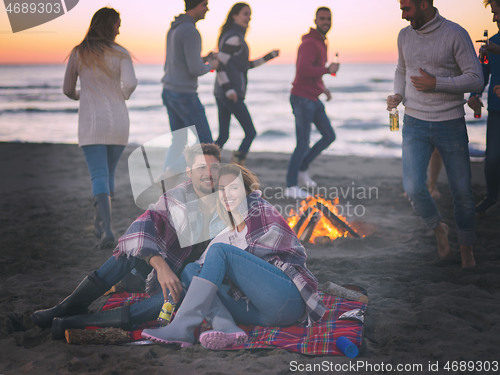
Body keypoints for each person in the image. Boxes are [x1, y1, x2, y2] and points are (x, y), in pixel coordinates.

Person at [31, 144, 226, 339]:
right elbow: (142, 226)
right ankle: (68, 307)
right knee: (128, 253)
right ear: (189, 172)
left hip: (192, 278)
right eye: (202, 167)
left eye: (214, 168)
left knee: (171, 299)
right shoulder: (176, 197)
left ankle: (76, 322)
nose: (208, 173)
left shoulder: (227, 200)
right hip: (164, 269)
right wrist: (160, 266)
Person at [142, 164, 326, 350]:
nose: (227, 194)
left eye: (234, 187)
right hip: (260, 313)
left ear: (247, 191)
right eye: (221, 189)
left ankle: (182, 327)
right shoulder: (225, 232)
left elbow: (289, 256)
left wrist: (228, 266)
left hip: (287, 300)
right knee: (191, 270)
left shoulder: (261, 212)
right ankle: (226, 327)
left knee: (220, 252)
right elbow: (204, 271)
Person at [387, 0, 484, 268]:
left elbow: (476, 78)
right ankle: (438, 228)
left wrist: (437, 83)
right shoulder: (404, 35)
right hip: (414, 123)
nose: (403, 15)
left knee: (462, 193)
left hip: (450, 123)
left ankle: (466, 249)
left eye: (407, 9)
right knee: (414, 188)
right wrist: (399, 93)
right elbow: (402, 69)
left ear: (424, 4)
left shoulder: (455, 34)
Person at [63, 7, 137, 249]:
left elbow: (67, 89)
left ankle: (106, 229)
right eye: (118, 23)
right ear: (109, 26)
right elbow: (131, 83)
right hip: (118, 122)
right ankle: (100, 221)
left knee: (99, 175)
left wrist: (81, 96)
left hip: (91, 123)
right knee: (108, 174)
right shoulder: (121, 53)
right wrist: (120, 95)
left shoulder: (79, 52)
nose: (120, 28)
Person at [214, 3, 279, 165]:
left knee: (223, 136)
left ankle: (203, 164)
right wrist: (229, 89)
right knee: (250, 132)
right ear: (235, 16)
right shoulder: (234, 37)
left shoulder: (233, 36)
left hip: (223, 92)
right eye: (245, 14)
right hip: (229, 93)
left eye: (249, 15)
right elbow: (220, 64)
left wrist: (268, 56)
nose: (248, 18)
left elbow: (245, 66)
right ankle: (236, 166)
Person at [284, 7, 339, 199]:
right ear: (315, 20)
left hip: (313, 98)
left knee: (329, 136)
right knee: (302, 144)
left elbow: (313, 72)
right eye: (322, 19)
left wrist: (323, 88)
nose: (326, 22)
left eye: (328, 19)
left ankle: (302, 169)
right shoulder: (309, 43)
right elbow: (304, 70)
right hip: (301, 98)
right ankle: (291, 186)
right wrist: (327, 69)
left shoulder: (322, 42)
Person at [162, 0, 218, 145]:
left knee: (179, 144)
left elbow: (180, 60)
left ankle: (171, 169)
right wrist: (212, 65)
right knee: (206, 144)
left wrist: (203, 59)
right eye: (204, 4)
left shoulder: (174, 28)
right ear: (195, 5)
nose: (208, 9)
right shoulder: (190, 31)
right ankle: (210, 169)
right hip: (184, 95)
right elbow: (196, 69)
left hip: (169, 91)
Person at [467, 0, 500, 214]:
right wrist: (475, 94)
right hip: (496, 110)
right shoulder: (492, 43)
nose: (494, 18)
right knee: (492, 159)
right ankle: (491, 196)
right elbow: (483, 75)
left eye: (496, 12)